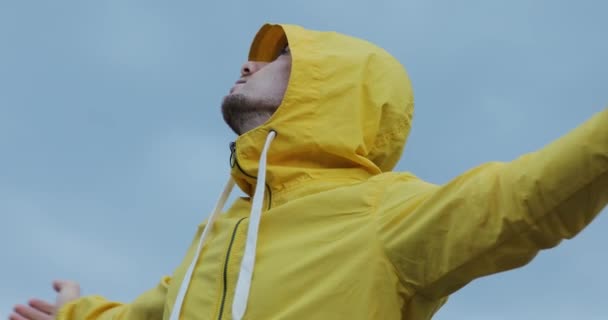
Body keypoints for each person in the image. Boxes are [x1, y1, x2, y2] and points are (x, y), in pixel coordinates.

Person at [10, 23, 607, 320]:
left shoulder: (383, 214)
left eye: (283, 58)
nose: (246, 64)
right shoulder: (222, 233)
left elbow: (526, 197)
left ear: (329, 90)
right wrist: (74, 311)